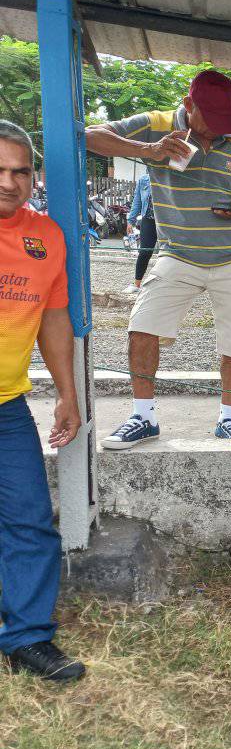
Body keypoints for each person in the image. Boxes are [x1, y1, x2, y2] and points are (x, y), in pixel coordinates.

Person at [86, 69, 231, 446]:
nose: (218, 131)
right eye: (212, 120)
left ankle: (228, 418)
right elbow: (89, 136)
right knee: (142, 326)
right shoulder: (154, 125)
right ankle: (143, 416)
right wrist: (148, 150)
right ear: (189, 105)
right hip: (178, 254)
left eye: (226, 122)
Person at [0, 120, 85, 682]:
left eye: (20, 171)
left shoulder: (46, 236)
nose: (9, 182)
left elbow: (55, 318)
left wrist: (66, 393)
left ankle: (27, 637)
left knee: (30, 522)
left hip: (8, 408)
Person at [123, 173, 155, 294]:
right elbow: (137, 201)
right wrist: (130, 221)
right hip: (149, 219)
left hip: (167, 220)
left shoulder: (168, 175)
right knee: (145, 251)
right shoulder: (144, 180)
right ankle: (136, 284)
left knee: (170, 253)